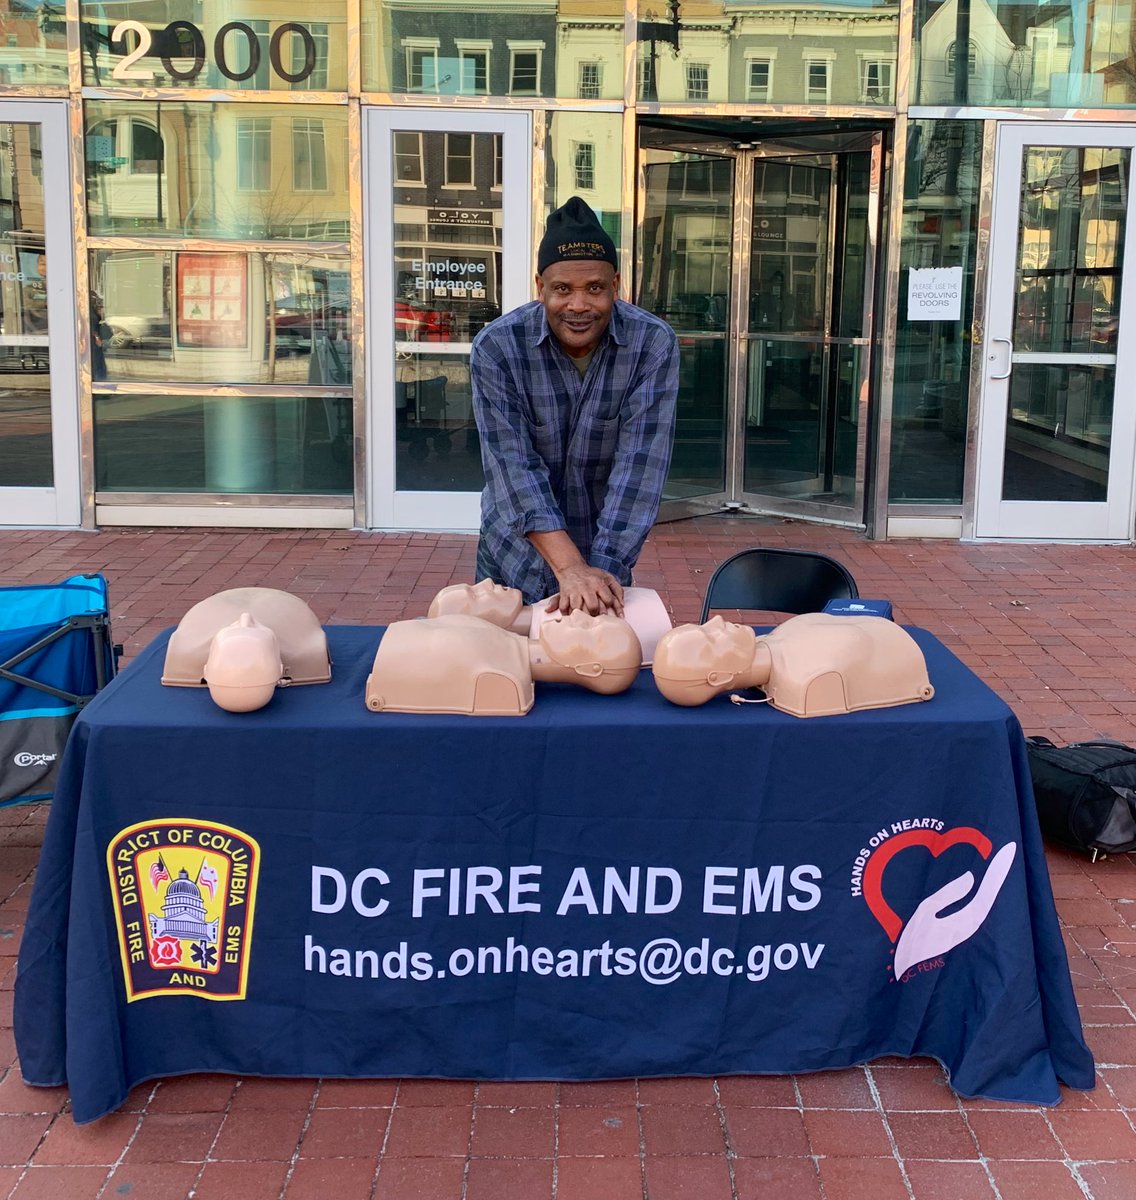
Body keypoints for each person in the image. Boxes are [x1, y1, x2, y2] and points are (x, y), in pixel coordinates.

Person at [470, 195, 678, 617]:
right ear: (539, 286)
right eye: (562, 289)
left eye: (595, 288)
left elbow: (639, 470)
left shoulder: (652, 344)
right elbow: (513, 467)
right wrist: (568, 568)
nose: (579, 305)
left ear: (616, 286)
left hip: (605, 553)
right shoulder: (496, 348)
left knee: (598, 663)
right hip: (514, 551)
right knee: (500, 671)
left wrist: (595, 578)